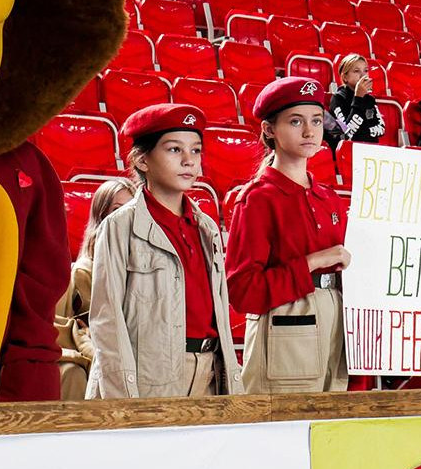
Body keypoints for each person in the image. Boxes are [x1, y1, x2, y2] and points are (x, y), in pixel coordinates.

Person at [86, 104, 243, 399]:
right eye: (174, 149)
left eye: (196, 150)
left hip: (209, 371)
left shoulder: (207, 227)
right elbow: (107, 322)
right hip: (149, 376)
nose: (188, 160)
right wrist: (123, 401)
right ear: (142, 160)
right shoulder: (120, 226)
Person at [227, 77, 351, 393]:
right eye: (296, 121)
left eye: (316, 121)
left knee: (330, 419)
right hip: (285, 329)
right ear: (269, 129)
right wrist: (313, 262)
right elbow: (242, 292)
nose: (309, 131)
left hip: (335, 323)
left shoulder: (329, 197)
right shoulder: (258, 198)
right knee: (283, 419)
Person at [55, 178, 135, 400]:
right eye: (116, 210)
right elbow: (65, 328)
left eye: (131, 210)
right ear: (102, 216)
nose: (124, 218)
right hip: (96, 354)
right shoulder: (84, 271)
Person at [328, 54, 385, 146]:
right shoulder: (338, 98)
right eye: (356, 71)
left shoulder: (370, 99)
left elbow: (381, 128)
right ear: (345, 77)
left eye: (366, 71)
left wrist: (361, 132)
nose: (363, 75)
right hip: (348, 150)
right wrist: (358, 98)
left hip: (370, 149)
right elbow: (347, 133)